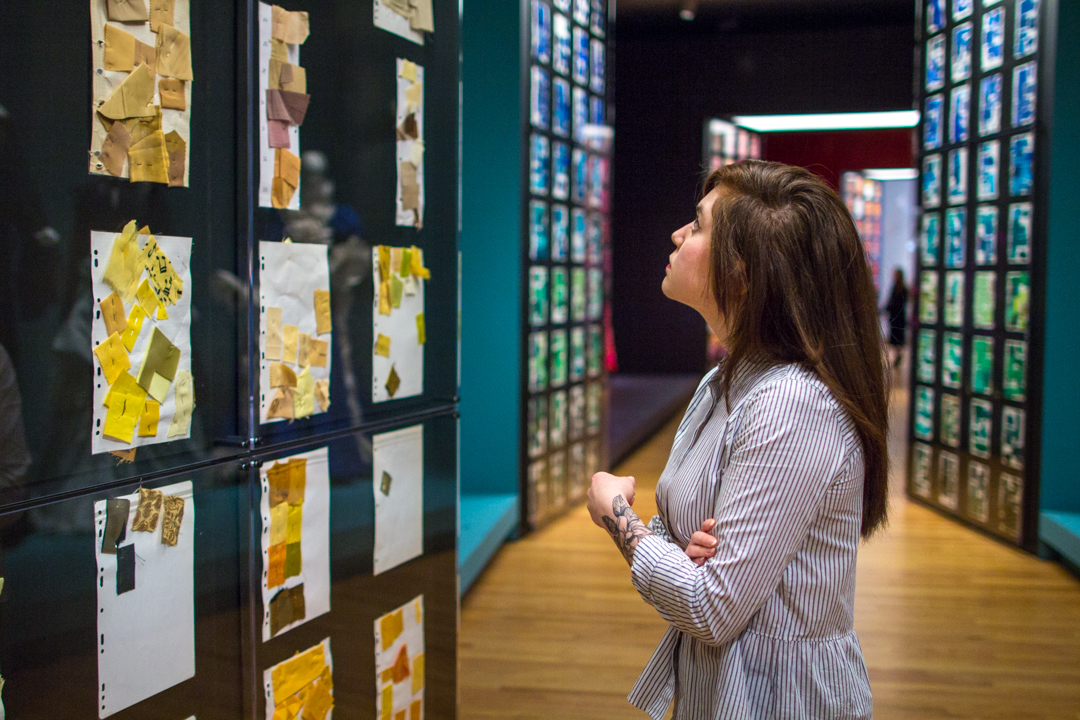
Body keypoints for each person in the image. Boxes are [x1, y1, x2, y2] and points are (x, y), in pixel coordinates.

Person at [586, 161, 888, 719]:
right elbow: (679, 537)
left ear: (742, 274)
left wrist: (614, 511)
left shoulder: (790, 406)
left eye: (698, 226)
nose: (678, 234)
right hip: (721, 689)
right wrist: (678, 549)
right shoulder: (724, 378)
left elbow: (709, 608)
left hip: (781, 698)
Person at [883, 267, 909, 368]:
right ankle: (897, 356)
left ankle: (898, 356)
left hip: (898, 317)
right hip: (896, 316)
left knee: (897, 338)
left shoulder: (902, 289)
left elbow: (894, 302)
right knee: (895, 337)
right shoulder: (897, 288)